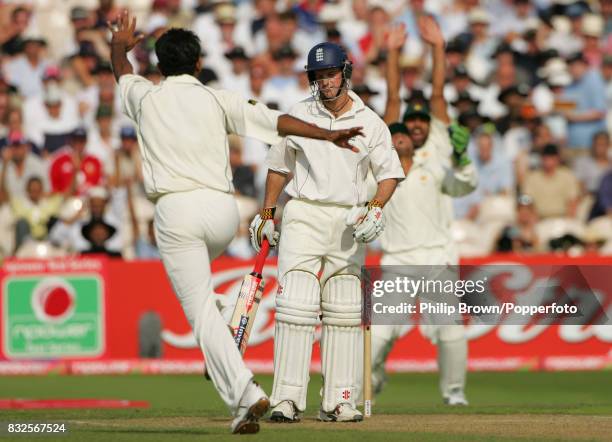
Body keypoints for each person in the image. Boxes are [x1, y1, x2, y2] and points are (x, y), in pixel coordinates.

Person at [108, 10, 364, 435]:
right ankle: (230, 312)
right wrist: (328, 134)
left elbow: (121, 70)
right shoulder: (218, 97)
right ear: (197, 64)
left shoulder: (144, 95)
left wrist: (120, 43)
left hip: (177, 210)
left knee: (199, 314)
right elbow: (277, 122)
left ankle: (244, 395)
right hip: (222, 211)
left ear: (158, 65)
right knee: (208, 302)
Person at [249, 41, 403, 423]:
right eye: (318, 75)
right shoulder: (300, 115)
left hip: (348, 218)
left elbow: (389, 175)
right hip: (303, 211)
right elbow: (279, 168)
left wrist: (375, 208)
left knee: (345, 306)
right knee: (296, 304)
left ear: (345, 72)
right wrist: (268, 212)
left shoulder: (370, 121)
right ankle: (285, 399)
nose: (325, 82)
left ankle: (340, 400)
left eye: (331, 73)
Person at [372, 17, 477, 406]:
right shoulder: (390, 150)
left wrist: (437, 47)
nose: (415, 125)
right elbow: (394, 101)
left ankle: (454, 394)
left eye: (420, 122)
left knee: (450, 330)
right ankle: (372, 376)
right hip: (397, 259)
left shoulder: (438, 144)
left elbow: (436, 96)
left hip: (436, 256)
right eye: (409, 123)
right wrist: (393, 52)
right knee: (380, 334)